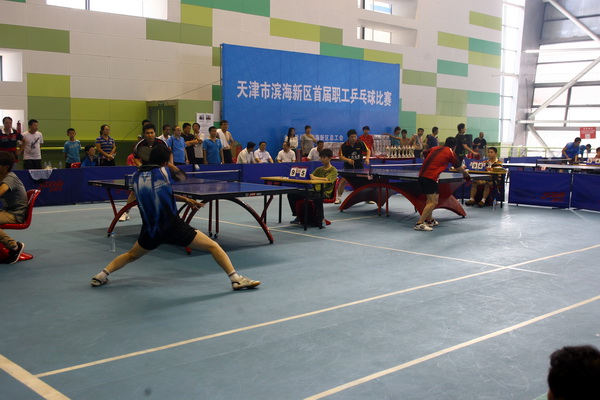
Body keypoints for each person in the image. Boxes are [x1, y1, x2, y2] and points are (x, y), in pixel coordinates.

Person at [89, 145, 260, 290]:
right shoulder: (163, 172)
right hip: (172, 226)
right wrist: (169, 164)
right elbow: (179, 175)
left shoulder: (135, 178)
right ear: (164, 162)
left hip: (151, 230)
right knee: (213, 247)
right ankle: (235, 279)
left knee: (131, 255)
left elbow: (161, 192)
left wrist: (185, 199)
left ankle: (101, 275)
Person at [414, 136, 470, 231]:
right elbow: (458, 167)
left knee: (430, 200)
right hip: (430, 177)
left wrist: (428, 162)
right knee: (433, 202)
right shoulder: (450, 152)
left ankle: (430, 220)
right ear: (455, 146)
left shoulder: (435, 148)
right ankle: (420, 223)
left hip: (422, 175)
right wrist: (466, 175)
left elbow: (422, 153)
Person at [123, 124, 169, 221]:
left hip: (158, 172)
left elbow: (166, 157)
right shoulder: (140, 145)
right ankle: (125, 212)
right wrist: (141, 166)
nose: (150, 135)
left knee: (162, 192)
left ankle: (163, 214)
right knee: (134, 192)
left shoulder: (161, 143)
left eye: (152, 133)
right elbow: (136, 158)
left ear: (155, 133)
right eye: (147, 133)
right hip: (144, 173)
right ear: (144, 134)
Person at [288, 148, 338, 229]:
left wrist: (315, 178)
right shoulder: (319, 169)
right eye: (321, 157)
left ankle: (321, 219)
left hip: (325, 193)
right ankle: (298, 216)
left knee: (317, 197)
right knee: (292, 194)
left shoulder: (333, 170)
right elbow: (311, 176)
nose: (322, 159)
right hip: (313, 190)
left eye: (324, 157)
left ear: (330, 158)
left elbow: (327, 179)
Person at [0, 152, 27, 264]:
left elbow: (1, 191)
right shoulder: (2, 176)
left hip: (16, 214)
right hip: (8, 211)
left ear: (6, 166)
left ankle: (14, 246)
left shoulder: (10, 178)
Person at [336, 129, 371, 204]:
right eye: (352, 137)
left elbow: (368, 150)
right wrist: (348, 160)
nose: (354, 138)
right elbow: (340, 157)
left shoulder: (360, 143)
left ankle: (367, 198)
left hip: (359, 166)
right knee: (343, 181)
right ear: (348, 137)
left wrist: (367, 158)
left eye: (355, 136)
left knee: (365, 181)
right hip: (348, 167)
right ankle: (338, 198)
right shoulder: (344, 146)